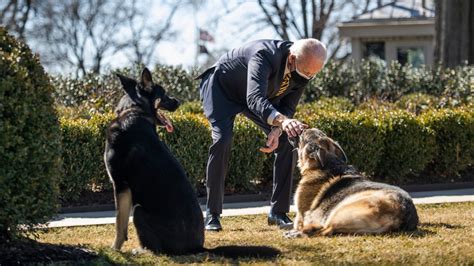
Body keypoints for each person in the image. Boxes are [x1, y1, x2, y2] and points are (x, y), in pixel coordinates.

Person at [196, 38, 327, 231]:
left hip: (255, 97)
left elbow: (288, 107)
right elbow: (254, 98)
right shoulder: (264, 55)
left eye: (312, 75)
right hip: (221, 89)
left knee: (287, 140)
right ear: (291, 59)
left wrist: (277, 129)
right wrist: (282, 120)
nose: (307, 78)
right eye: (306, 72)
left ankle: (278, 213)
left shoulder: (304, 66)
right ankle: (212, 215)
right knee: (222, 140)